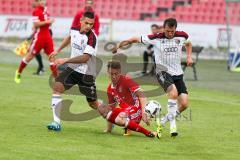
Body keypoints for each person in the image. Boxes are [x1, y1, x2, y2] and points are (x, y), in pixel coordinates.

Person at [112, 18, 193, 137]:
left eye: (172, 31)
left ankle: (164, 121)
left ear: (175, 29)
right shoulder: (156, 38)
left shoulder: (182, 36)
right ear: (164, 28)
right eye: (167, 31)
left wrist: (189, 57)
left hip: (178, 73)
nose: (169, 34)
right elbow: (134, 39)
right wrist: (119, 45)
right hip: (162, 71)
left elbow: (189, 44)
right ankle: (173, 126)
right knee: (173, 93)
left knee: (185, 104)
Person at [46, 12, 101, 131]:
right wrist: (58, 50)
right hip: (72, 69)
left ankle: (112, 116)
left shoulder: (92, 38)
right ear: (81, 20)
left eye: (91, 24)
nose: (88, 26)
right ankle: (56, 123)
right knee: (57, 88)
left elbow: (85, 58)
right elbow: (70, 37)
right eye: (86, 23)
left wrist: (65, 60)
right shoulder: (74, 29)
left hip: (87, 74)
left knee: (93, 104)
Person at [97, 61, 158, 138]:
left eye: (116, 74)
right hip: (126, 111)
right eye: (111, 74)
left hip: (137, 110)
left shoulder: (126, 80)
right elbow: (112, 108)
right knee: (101, 108)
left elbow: (141, 94)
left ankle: (148, 133)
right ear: (108, 73)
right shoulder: (110, 89)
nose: (114, 76)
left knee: (120, 119)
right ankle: (127, 125)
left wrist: (143, 112)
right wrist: (108, 129)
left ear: (120, 72)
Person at [14, 0, 57, 83]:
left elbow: (44, 24)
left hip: (48, 36)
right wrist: (47, 21)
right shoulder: (36, 11)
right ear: (38, 2)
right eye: (41, 1)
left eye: (44, 0)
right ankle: (18, 72)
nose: (43, 2)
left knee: (52, 57)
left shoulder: (46, 11)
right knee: (30, 56)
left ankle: (57, 79)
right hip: (39, 37)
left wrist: (50, 22)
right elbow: (36, 24)